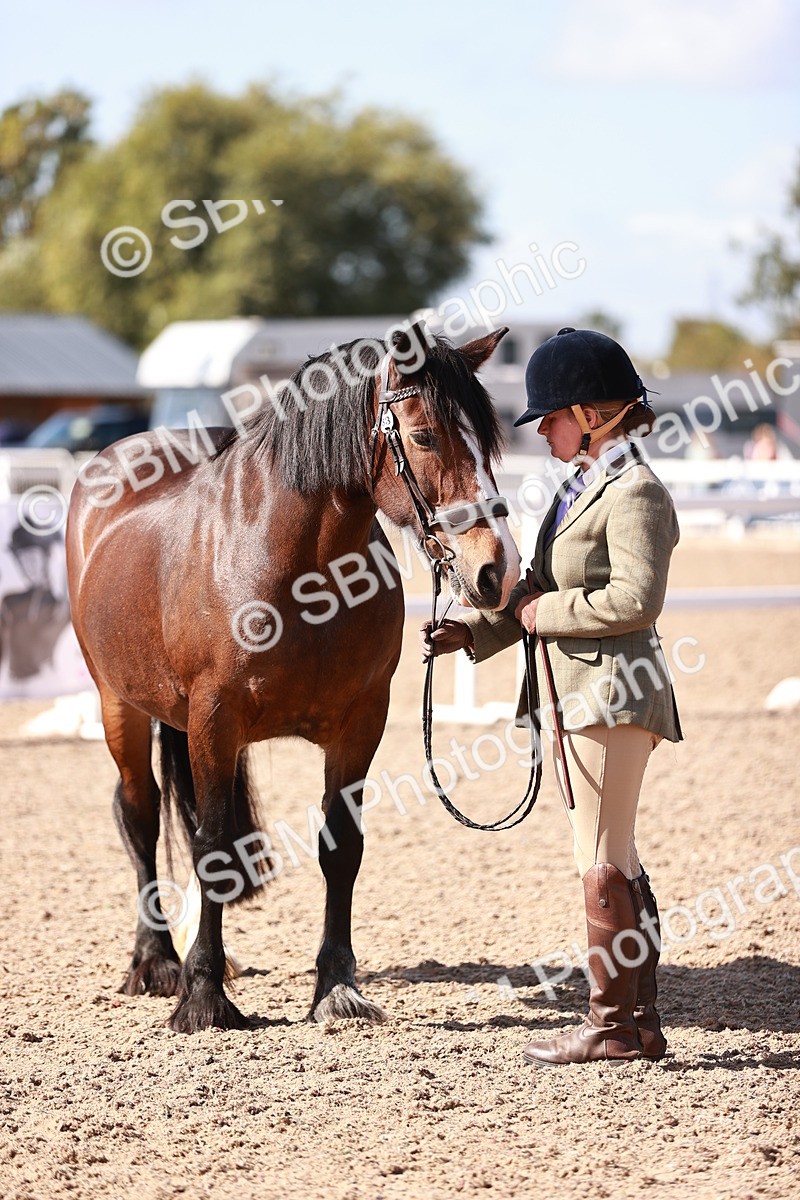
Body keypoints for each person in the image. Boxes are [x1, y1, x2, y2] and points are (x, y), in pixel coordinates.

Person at [420, 327, 683, 1065]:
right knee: (618, 859)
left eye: (552, 417)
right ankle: (641, 1021)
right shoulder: (583, 485)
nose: (541, 431)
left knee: (600, 862)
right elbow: (539, 592)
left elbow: (635, 599)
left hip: (611, 691)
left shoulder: (634, 491)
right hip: (579, 694)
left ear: (592, 414)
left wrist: (541, 616)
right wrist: (473, 633)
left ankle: (610, 1027)